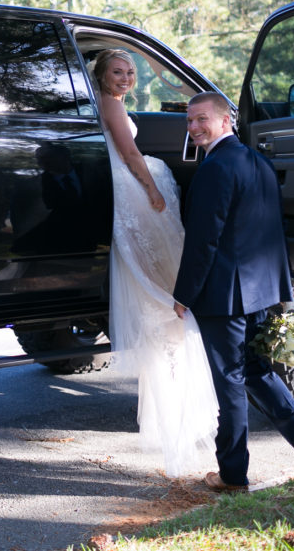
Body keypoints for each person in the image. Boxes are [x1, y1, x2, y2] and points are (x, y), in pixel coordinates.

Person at [172, 91, 294, 492]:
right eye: (190, 121)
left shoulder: (213, 169)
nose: (193, 128)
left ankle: (232, 475)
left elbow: (203, 241)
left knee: (229, 381)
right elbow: (274, 230)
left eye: (202, 119)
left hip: (222, 296)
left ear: (226, 121)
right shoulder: (259, 162)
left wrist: (185, 293)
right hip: (258, 293)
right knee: (258, 372)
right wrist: (283, 284)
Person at [93, 49, 219, 478]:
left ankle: (174, 363)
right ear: (101, 74)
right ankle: (179, 322)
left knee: (161, 286)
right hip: (123, 187)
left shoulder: (111, 101)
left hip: (118, 181)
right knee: (163, 287)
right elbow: (129, 156)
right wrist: (152, 191)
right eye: (117, 71)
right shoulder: (108, 103)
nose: (125, 78)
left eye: (130, 72)